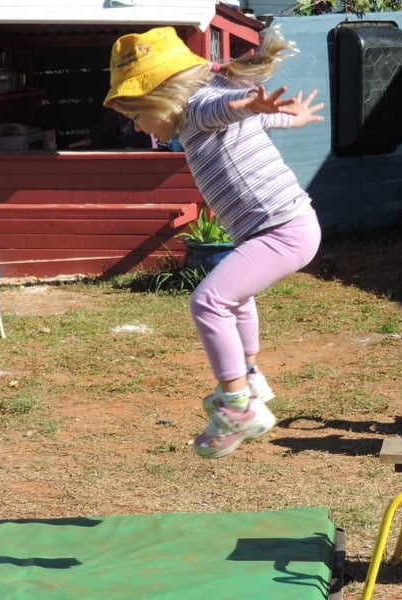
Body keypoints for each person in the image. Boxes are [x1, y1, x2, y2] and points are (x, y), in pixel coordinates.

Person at [103, 26, 324, 459]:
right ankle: (250, 377)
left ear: (160, 97)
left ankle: (238, 404)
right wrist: (283, 115)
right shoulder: (200, 110)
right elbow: (246, 114)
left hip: (283, 229)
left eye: (136, 116)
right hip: (279, 228)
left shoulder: (196, 108)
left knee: (209, 302)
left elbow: (223, 109)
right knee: (235, 299)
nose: (139, 126)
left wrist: (244, 103)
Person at [68, 108, 156, 149]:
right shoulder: (118, 111)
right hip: (125, 156)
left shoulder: (152, 107)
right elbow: (101, 130)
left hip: (151, 155)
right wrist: (89, 140)